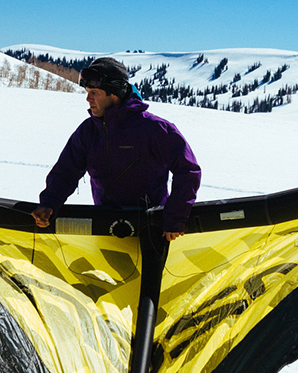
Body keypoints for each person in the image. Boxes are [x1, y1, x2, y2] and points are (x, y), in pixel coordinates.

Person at [31, 57, 201, 242]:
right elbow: (66, 172)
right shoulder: (88, 131)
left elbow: (188, 170)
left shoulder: (154, 128)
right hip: (106, 227)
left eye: (94, 92)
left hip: (152, 231)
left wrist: (175, 216)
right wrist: (49, 202)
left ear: (114, 93)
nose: (88, 98)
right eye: (87, 92)